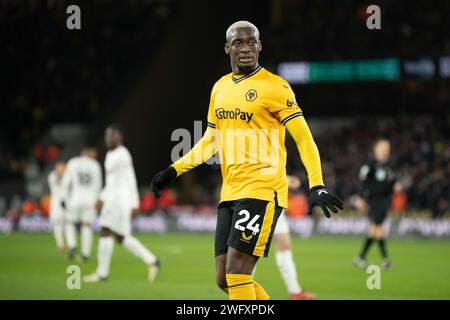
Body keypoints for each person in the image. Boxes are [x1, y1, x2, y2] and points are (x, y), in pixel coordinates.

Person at [151, 21, 343, 300]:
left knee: (238, 272)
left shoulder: (276, 87)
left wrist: (317, 184)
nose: (245, 49)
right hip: (230, 191)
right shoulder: (219, 88)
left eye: (251, 42)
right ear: (227, 48)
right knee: (223, 279)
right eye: (238, 43)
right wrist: (174, 169)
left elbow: (303, 137)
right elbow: (211, 140)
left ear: (260, 46)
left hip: (262, 189)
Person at [83, 125, 160, 283]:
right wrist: (102, 196)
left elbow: (130, 178)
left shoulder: (122, 154)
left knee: (105, 230)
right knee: (121, 237)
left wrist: (135, 203)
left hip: (119, 201)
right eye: (107, 135)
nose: (109, 138)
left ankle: (102, 273)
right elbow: (112, 182)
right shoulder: (111, 154)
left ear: (120, 137)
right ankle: (152, 261)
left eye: (112, 135)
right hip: (114, 199)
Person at [353, 139, 397, 270]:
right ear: (376, 149)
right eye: (384, 147)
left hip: (384, 201)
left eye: (388, 148)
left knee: (375, 231)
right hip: (375, 201)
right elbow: (362, 182)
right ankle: (385, 260)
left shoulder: (389, 165)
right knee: (378, 229)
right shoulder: (370, 165)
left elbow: (391, 183)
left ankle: (361, 258)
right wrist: (360, 197)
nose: (386, 150)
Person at [270, 175, 315, 300]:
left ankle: (295, 291)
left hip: (276, 204)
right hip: (260, 202)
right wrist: (286, 180)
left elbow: (272, 167)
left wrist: (286, 178)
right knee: (250, 250)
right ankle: (241, 288)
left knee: (284, 246)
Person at [61, 147, 102, 261]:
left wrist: (63, 198)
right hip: (90, 199)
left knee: (70, 222)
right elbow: (98, 185)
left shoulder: (73, 162)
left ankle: (72, 244)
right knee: (87, 225)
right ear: (89, 152)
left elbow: (66, 181)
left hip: (75, 198)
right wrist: (98, 200)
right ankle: (85, 254)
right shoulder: (95, 165)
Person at [47, 160, 66, 252]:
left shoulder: (67, 175)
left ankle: (71, 244)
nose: (62, 169)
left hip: (67, 203)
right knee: (57, 224)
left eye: (63, 167)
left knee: (69, 224)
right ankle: (60, 244)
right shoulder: (52, 176)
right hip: (56, 203)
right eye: (60, 167)